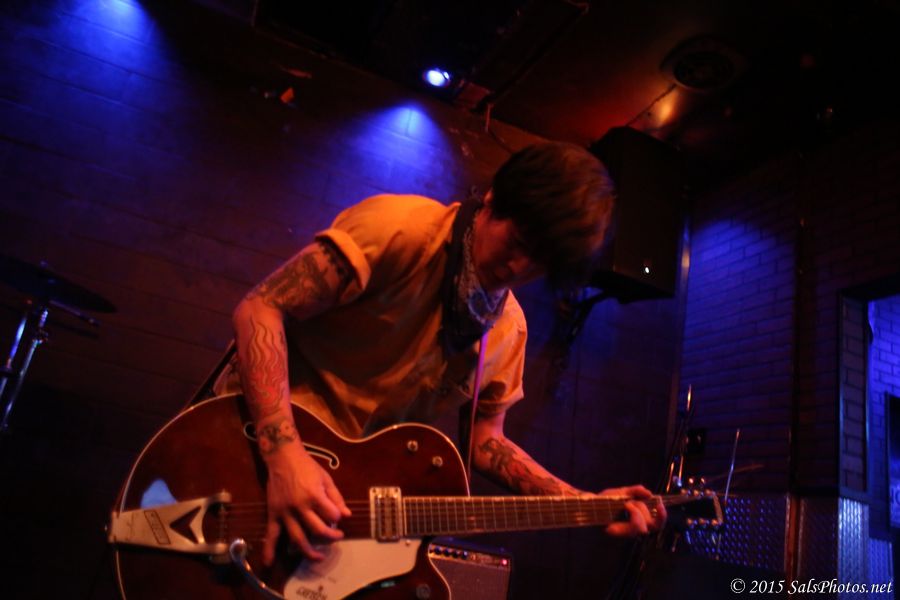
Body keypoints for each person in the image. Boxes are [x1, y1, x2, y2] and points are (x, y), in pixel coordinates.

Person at [229, 142, 666, 566]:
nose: (517, 268)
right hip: (250, 449)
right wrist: (283, 457)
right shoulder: (400, 229)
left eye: (539, 262)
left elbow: (485, 441)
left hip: (336, 496)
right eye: (517, 241)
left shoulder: (508, 329)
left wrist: (585, 503)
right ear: (494, 198)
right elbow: (261, 308)